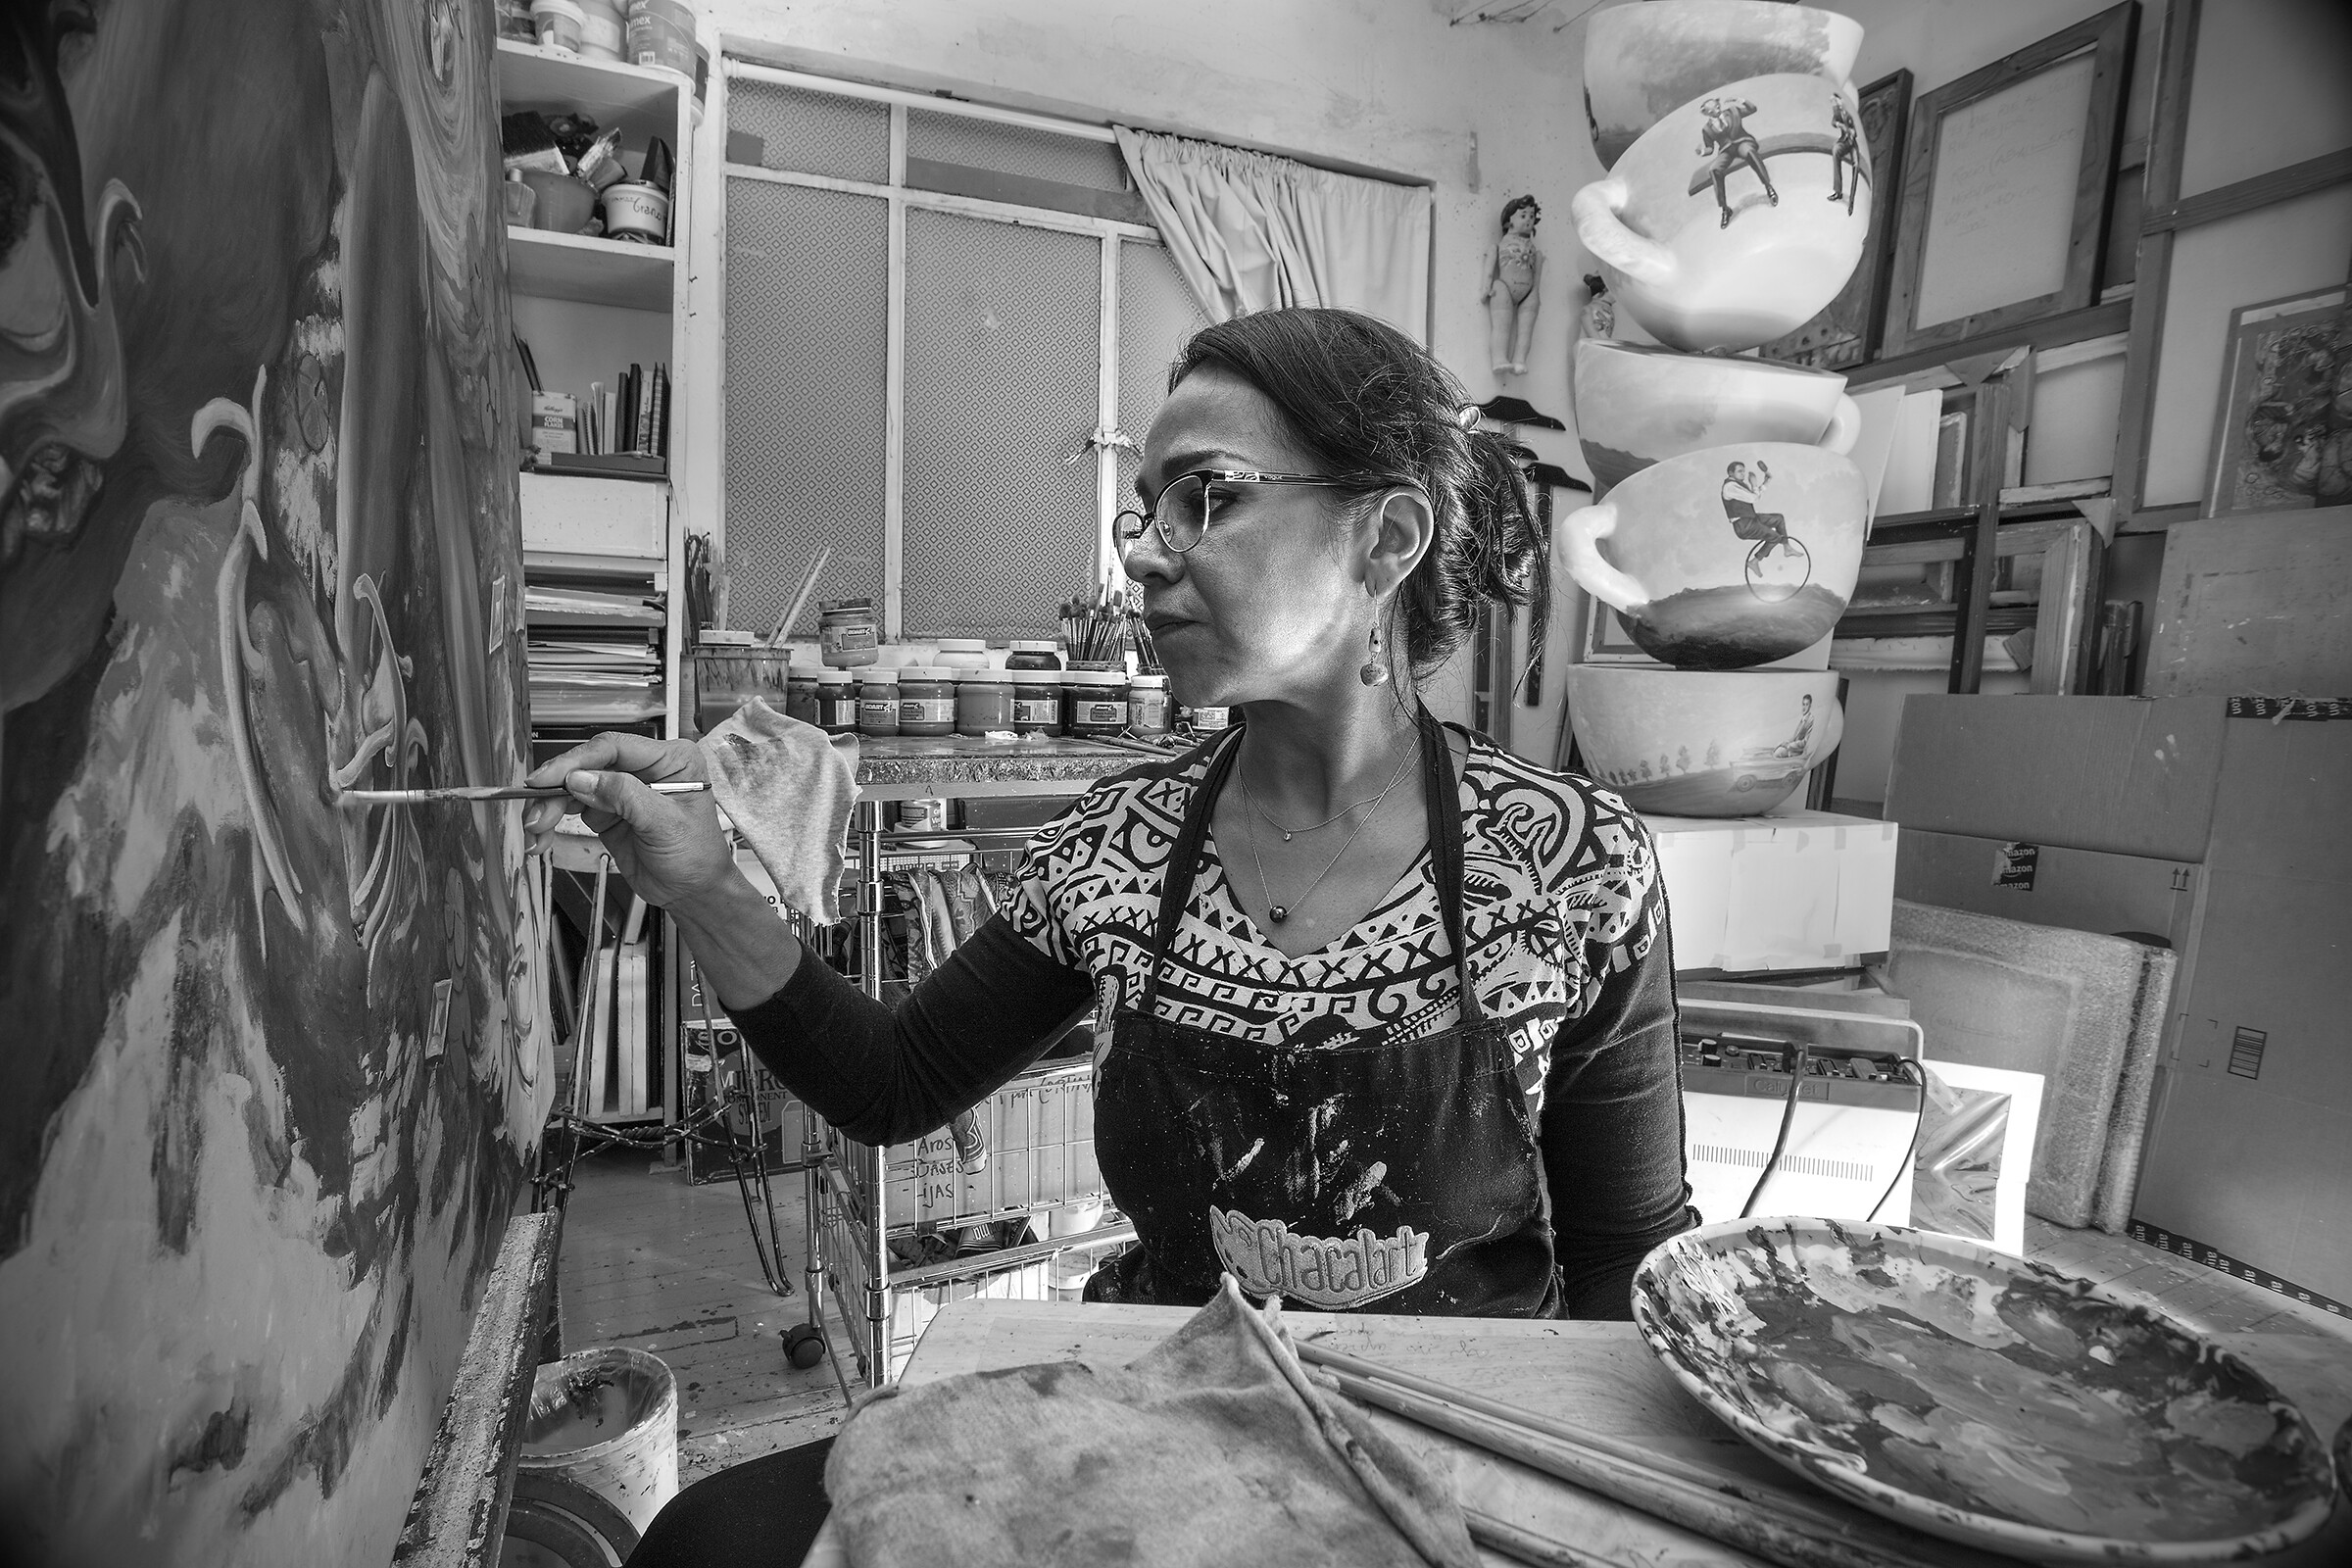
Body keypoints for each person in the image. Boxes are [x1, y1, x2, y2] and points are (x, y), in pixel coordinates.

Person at [527, 307, 1692, 1326]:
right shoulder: (1112, 849)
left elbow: (1619, 1259)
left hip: (1456, 1453)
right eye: (1146, 512)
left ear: (1384, 539)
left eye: (1208, 498)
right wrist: (706, 884)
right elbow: (893, 1084)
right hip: (1158, 1416)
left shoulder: (1571, 865)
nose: (1144, 555)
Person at [1483, 194, 1544, 375]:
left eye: (1532, 216)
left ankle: (1520, 359)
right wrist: (1486, 287)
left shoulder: (1534, 250)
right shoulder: (1501, 244)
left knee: (1526, 331)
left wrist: (1536, 292)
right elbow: (1490, 265)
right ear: (1509, 220)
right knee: (1501, 326)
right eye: (1523, 215)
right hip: (1504, 288)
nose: (1528, 220)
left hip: (1529, 292)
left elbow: (1537, 273)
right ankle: (1499, 358)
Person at [1695, 96, 1777, 227]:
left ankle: (1769, 187)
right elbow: (1710, 148)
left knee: (1750, 153)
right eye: (1712, 111)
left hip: (1742, 143)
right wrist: (1702, 152)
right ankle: (1725, 209)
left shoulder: (1733, 111)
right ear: (1707, 114)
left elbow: (1753, 109)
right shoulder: (1707, 129)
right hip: (1726, 151)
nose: (1716, 110)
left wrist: (1740, 100)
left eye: (1717, 107)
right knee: (1714, 170)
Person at [1721, 459, 1790, 556]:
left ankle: (1787, 548)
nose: (1743, 474)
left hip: (1751, 520)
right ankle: (1755, 561)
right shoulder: (1730, 487)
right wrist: (1754, 484)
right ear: (1730, 473)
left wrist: (1767, 481)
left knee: (1778, 518)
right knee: (1775, 537)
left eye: (1743, 471)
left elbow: (1755, 495)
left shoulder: (1738, 485)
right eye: (1740, 471)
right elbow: (1753, 498)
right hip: (1743, 526)